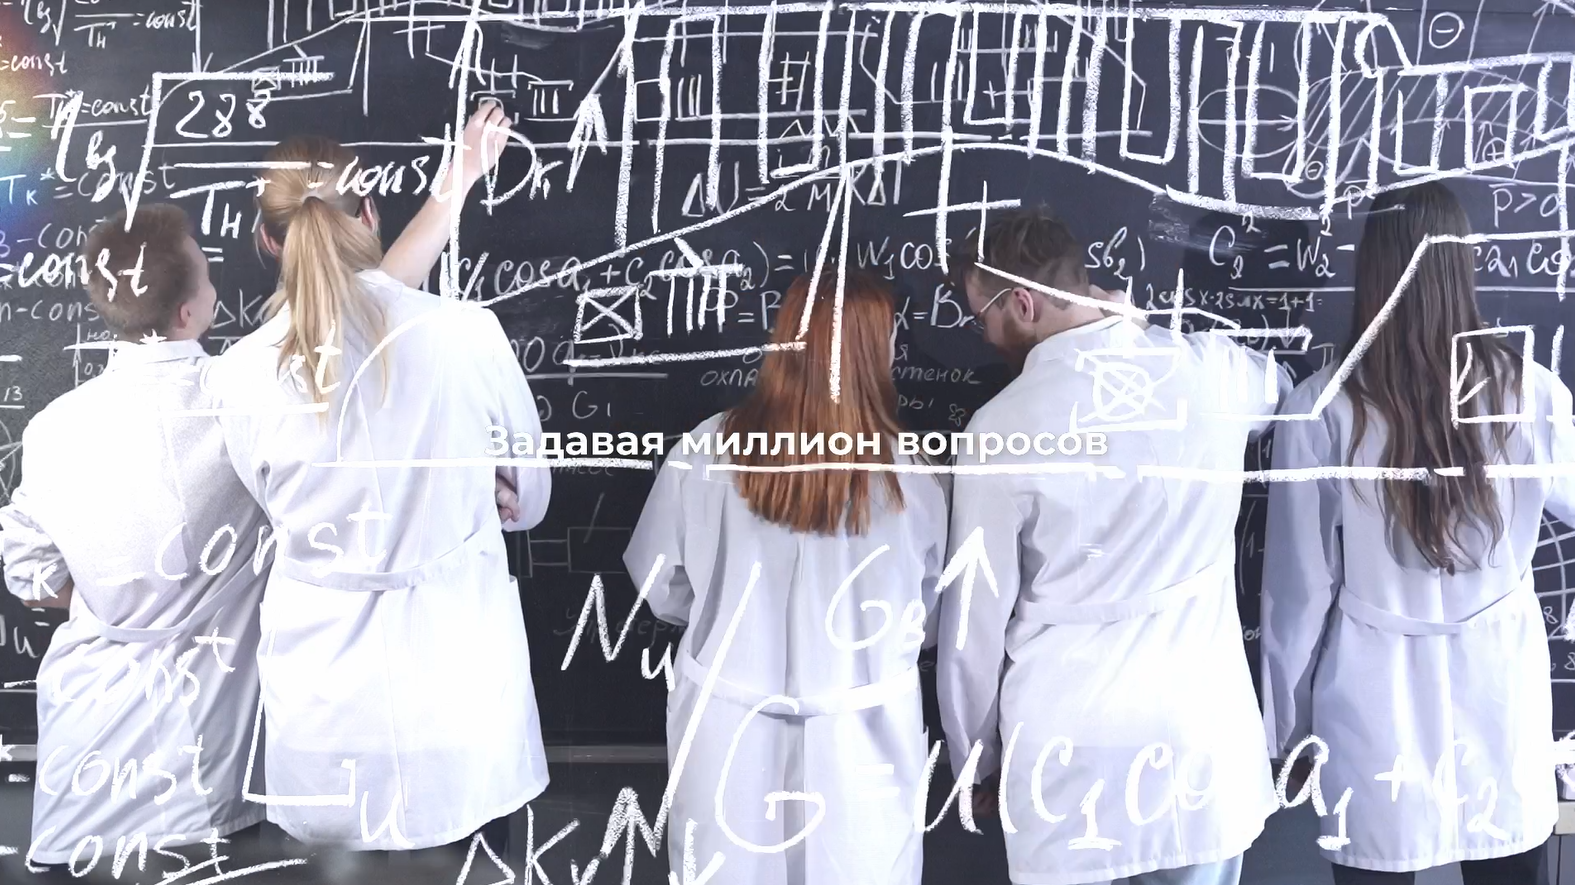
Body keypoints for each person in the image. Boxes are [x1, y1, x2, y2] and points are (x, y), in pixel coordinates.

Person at [202, 103, 551, 855]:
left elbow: (269, 501)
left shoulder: (235, 375)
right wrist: (481, 489)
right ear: (368, 213)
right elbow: (529, 500)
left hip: (324, 709)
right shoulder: (466, 333)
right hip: (459, 692)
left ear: (268, 239)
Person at [937, 207, 1291, 885]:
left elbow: (972, 627)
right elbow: (1278, 387)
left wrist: (973, 760)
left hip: (1067, 743)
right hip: (1199, 731)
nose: (983, 334)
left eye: (982, 314)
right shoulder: (1211, 371)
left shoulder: (999, 426)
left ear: (1023, 304)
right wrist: (1142, 327)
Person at [1260, 181, 1573, 885]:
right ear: (1462, 264)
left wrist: (1287, 731)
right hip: (1498, 689)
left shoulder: (1323, 407)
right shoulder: (1529, 392)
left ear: (1371, 266)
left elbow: (1297, 592)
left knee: (1378, 859)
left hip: (1372, 699)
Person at [623, 267, 949, 885]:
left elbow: (661, 584)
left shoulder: (706, 447)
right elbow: (927, 612)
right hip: (864, 738)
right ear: (869, 350)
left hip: (728, 725)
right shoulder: (910, 474)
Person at [0, 204, 269, 877]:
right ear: (188, 311)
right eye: (206, 271)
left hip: (85, 771)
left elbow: (29, 575)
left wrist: (113, 600)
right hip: (219, 770)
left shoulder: (53, 427)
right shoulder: (246, 403)